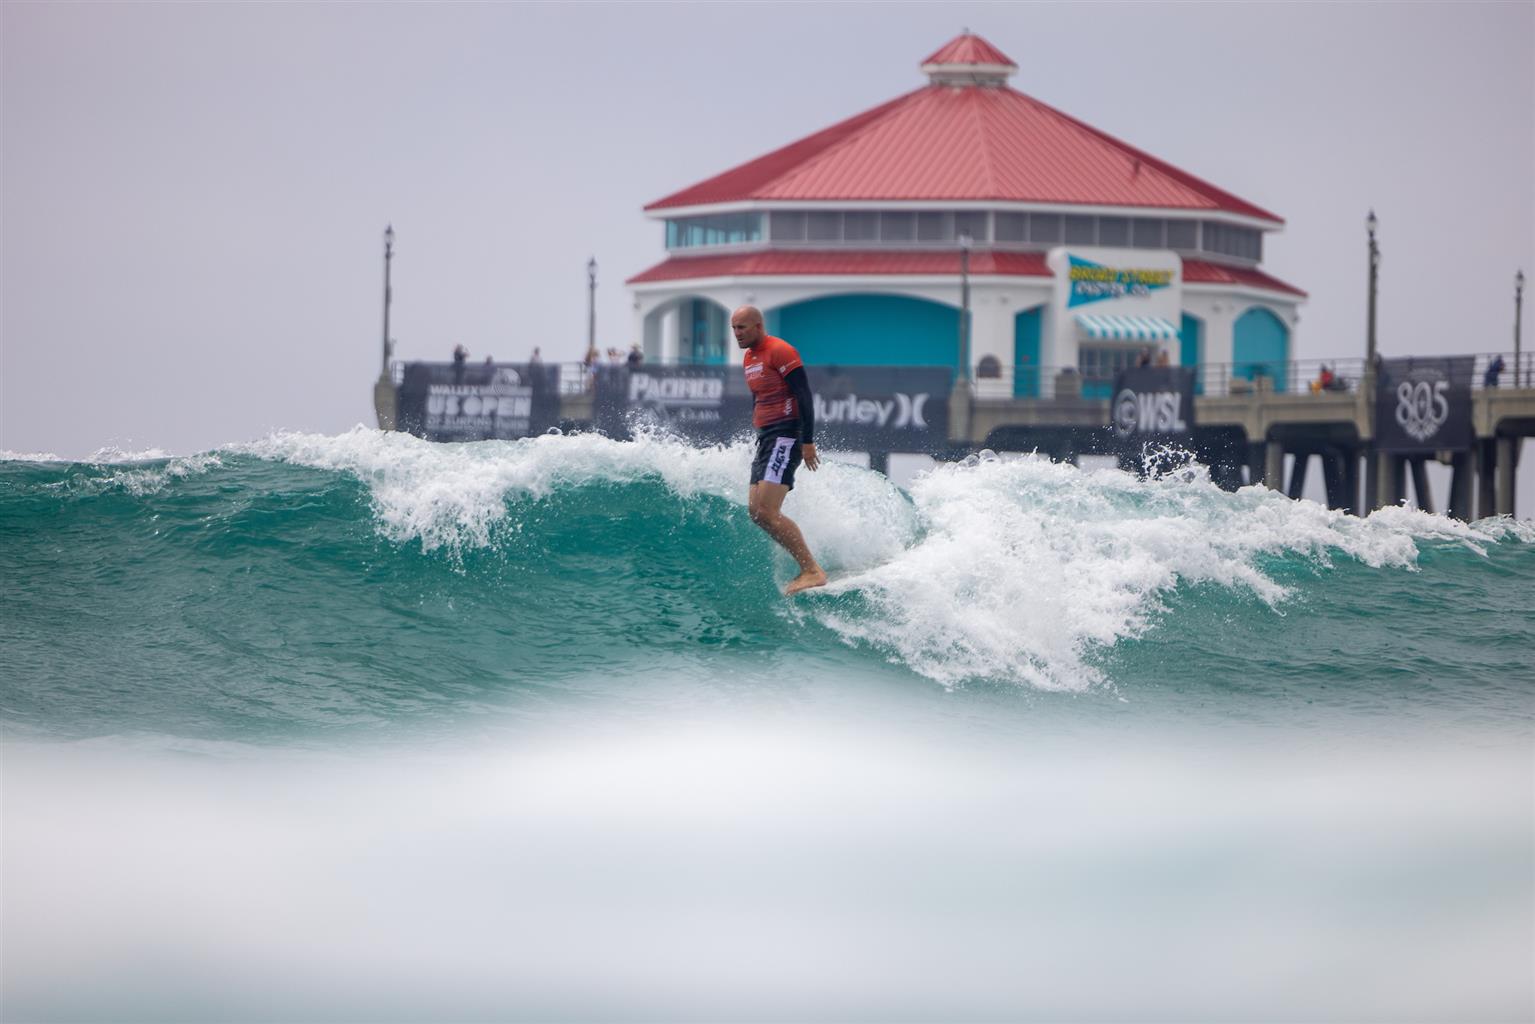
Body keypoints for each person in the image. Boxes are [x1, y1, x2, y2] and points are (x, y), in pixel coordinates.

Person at [731, 305, 826, 595]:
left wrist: (807, 441)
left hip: (786, 435)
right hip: (767, 438)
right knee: (756, 512)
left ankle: (812, 570)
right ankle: (808, 567)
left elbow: (804, 396)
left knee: (767, 510)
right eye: (734, 328)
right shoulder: (749, 357)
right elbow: (760, 395)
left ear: (758, 326)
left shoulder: (780, 351)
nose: (737, 334)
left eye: (742, 328)